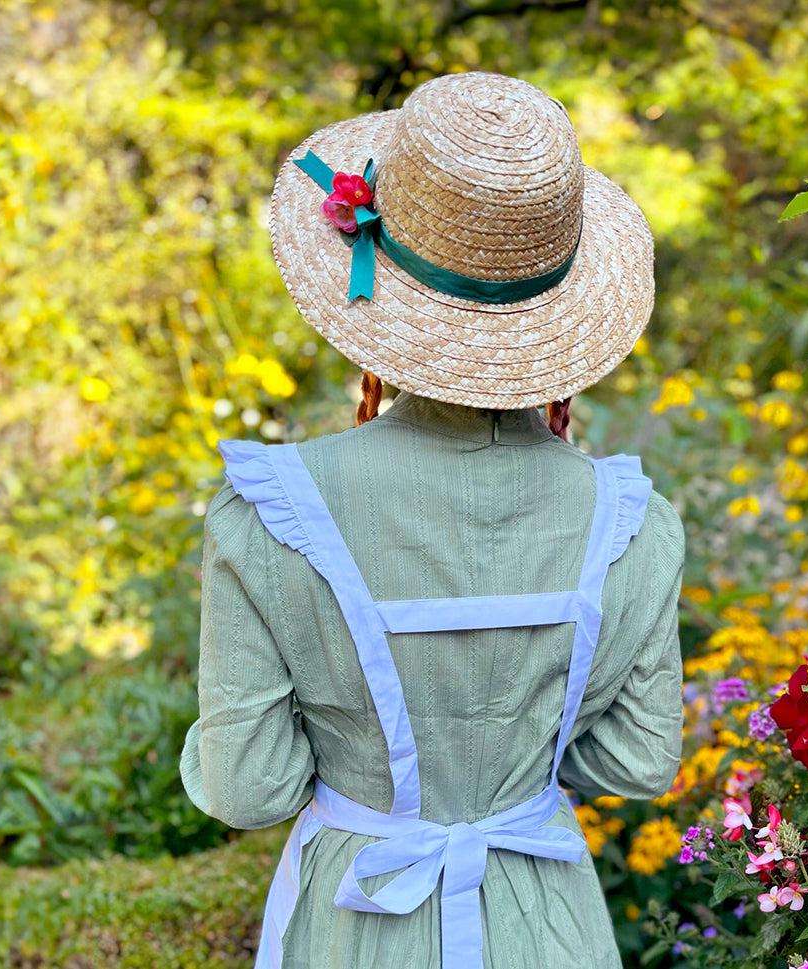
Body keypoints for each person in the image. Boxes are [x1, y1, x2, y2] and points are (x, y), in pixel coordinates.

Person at [180, 70, 685, 969]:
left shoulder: (273, 511)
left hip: (359, 917)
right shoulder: (633, 523)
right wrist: (514, 758)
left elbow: (249, 788)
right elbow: (639, 761)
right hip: (546, 926)